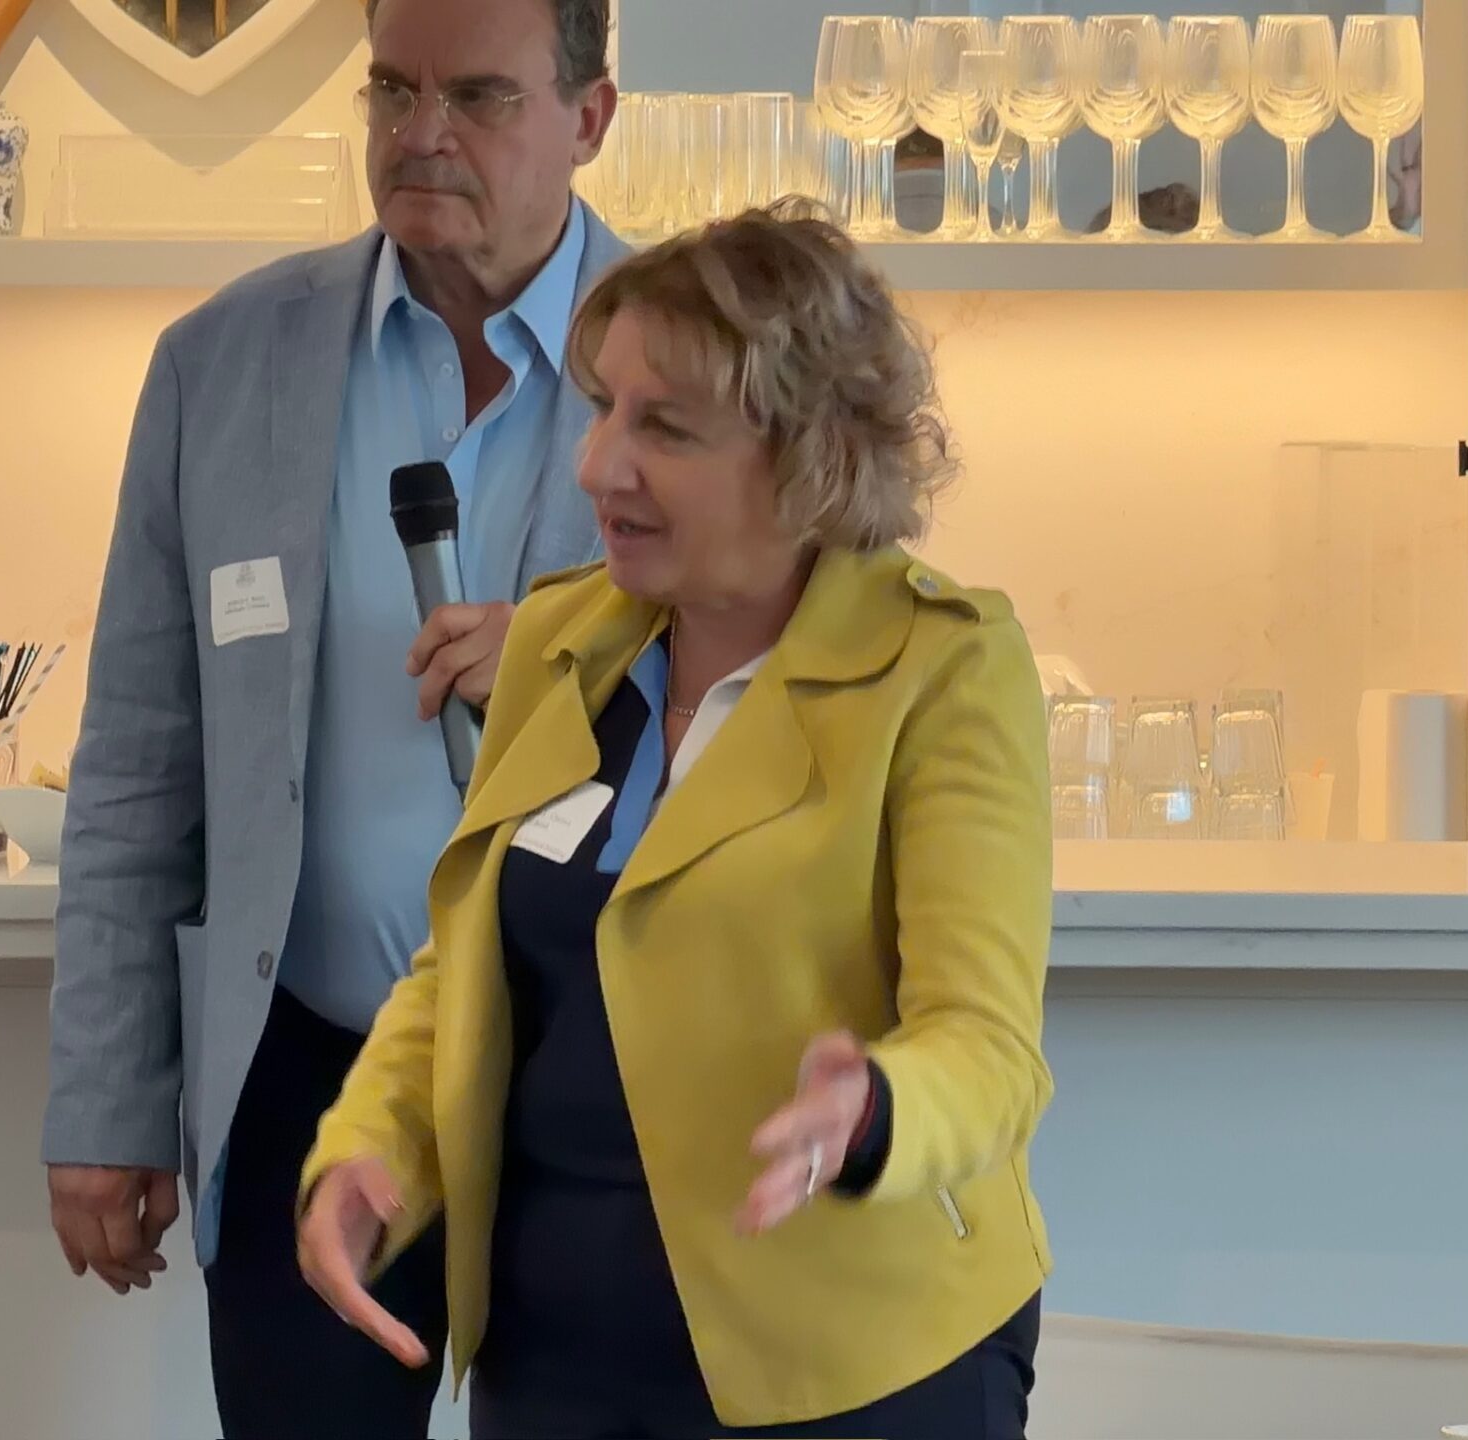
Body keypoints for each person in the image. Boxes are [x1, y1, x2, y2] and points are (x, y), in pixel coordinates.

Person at [298, 206, 1056, 1440]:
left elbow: (986, 1048)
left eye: (665, 428)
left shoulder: (940, 669)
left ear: (810, 458)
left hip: (847, 1371)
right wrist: (367, 1150)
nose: (599, 465)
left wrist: (869, 1110)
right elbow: (462, 974)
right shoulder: (559, 641)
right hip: (555, 1364)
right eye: (604, 409)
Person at [40, 0, 622, 1433]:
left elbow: (791, 688)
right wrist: (108, 1102)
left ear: (590, 117)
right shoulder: (222, 363)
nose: (422, 136)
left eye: (479, 97)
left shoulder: (707, 359)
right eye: (391, 91)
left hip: (604, 1077)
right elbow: (138, 767)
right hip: (311, 1068)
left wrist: (577, 651)